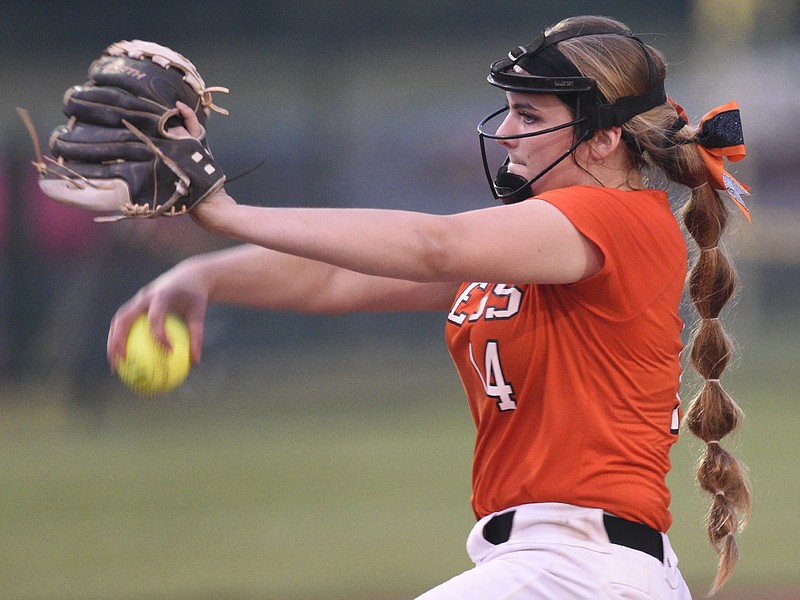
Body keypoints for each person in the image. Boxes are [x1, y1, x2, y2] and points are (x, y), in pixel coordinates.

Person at [106, 15, 753, 599]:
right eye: (508, 112)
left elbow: (434, 246)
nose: (505, 132)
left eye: (529, 116)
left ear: (604, 138)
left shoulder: (615, 219)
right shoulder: (541, 242)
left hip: (579, 571)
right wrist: (205, 275)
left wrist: (224, 212)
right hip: (561, 573)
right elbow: (335, 280)